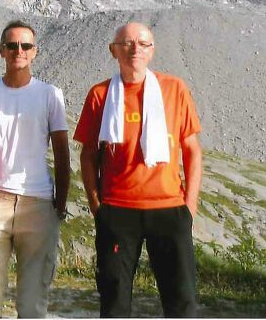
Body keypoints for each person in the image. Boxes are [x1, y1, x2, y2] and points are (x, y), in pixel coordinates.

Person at [73, 22, 203, 318]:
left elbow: (192, 149)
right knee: (115, 302)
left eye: (143, 44)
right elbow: (89, 155)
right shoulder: (100, 95)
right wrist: (97, 207)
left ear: (152, 50)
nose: (135, 50)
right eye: (127, 43)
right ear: (113, 50)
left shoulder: (175, 89)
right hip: (117, 213)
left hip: (170, 210)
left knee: (181, 302)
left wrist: (190, 206)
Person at [0, 20, 71, 319]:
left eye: (25, 45)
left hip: (37, 204)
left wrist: (59, 207)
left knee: (32, 304)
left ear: (34, 52)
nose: (19, 51)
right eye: (12, 45)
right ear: (2, 50)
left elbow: (62, 155)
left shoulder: (50, 94)